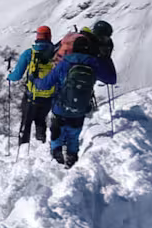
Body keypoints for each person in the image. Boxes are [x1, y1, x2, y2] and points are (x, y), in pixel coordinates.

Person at [47, 20, 118, 168]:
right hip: (81, 101)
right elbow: (111, 79)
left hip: (60, 97)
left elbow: (47, 79)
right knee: (74, 127)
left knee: (58, 123)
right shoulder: (94, 58)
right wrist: (105, 58)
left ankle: (56, 153)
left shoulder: (66, 58)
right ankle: (71, 156)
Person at [7, 26, 59, 143]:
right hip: (48, 97)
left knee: (26, 122)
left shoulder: (29, 53)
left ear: (37, 36)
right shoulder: (55, 54)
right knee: (41, 120)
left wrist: (9, 76)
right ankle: (41, 142)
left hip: (31, 96)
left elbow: (17, 75)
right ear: (50, 36)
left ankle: (23, 145)